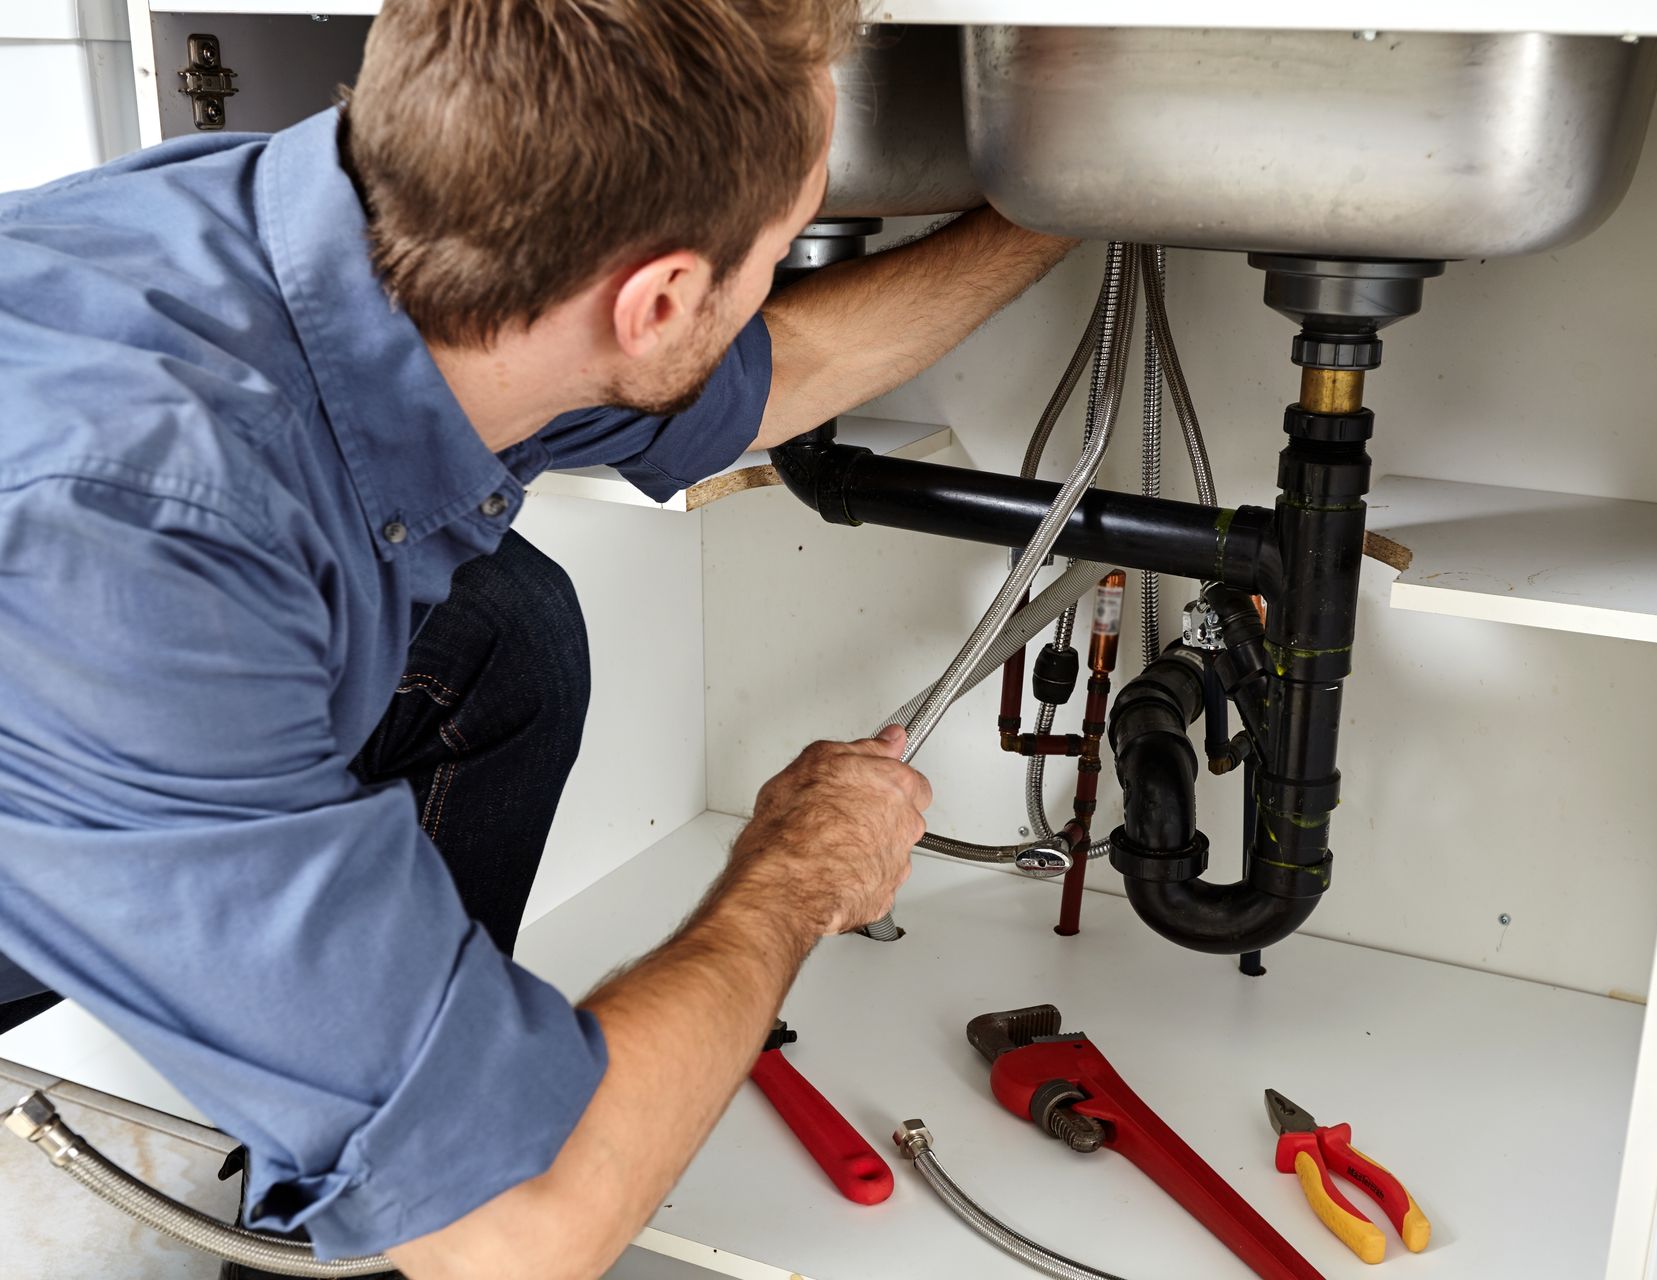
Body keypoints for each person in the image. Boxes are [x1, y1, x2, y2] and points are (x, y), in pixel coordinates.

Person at [0, 1, 1074, 1275]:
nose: (784, 267)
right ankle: (425, 1167)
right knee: (497, 1211)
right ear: (663, 297)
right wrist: (797, 876)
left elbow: (775, 372)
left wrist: (1058, 207)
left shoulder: (363, 232)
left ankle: (367, 1168)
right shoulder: (126, 543)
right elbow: (525, 1236)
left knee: (498, 628)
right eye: (784, 244)